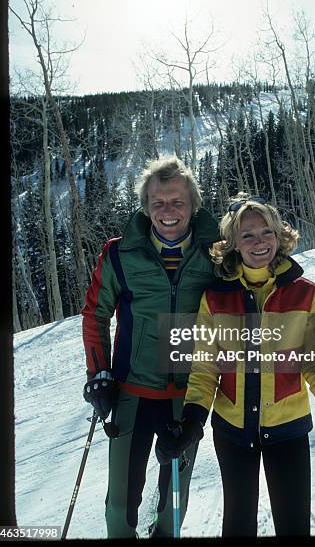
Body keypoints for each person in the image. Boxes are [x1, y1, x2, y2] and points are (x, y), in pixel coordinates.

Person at [155, 193, 315, 537]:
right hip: (232, 432)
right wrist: (191, 423)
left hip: (287, 429)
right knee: (237, 526)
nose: (259, 242)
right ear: (233, 243)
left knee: (293, 527)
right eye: (247, 235)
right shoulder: (215, 299)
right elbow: (205, 370)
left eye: (266, 232)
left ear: (279, 235)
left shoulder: (306, 295)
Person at [81, 155, 219, 538]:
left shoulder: (216, 256)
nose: (168, 211)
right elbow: (95, 314)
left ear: (193, 205)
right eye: (158, 202)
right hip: (131, 393)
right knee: (120, 507)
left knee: (173, 503)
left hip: (187, 397)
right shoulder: (119, 254)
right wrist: (100, 374)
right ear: (145, 207)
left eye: (177, 201)